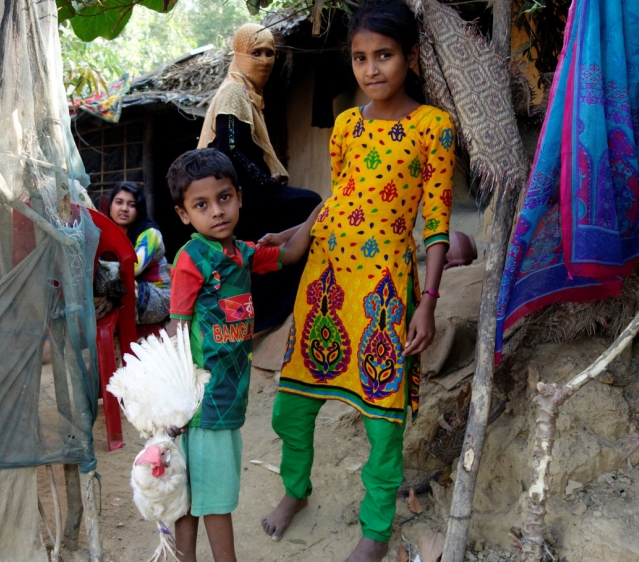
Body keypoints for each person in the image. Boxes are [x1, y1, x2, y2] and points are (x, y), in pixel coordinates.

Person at [260, 3, 456, 561]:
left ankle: (374, 530)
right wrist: (298, 234)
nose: (371, 69)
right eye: (360, 58)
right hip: (325, 280)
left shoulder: (432, 127)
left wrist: (430, 301)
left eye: (384, 56)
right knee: (291, 406)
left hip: (385, 288)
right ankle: (295, 490)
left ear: (411, 58)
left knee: (383, 421)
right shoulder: (346, 124)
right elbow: (338, 200)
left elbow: (438, 224)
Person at [165, 148, 320, 562]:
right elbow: (178, 327)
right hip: (202, 403)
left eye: (224, 198)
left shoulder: (242, 254)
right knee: (209, 497)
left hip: (228, 398)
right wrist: (173, 403)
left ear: (238, 197)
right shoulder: (192, 259)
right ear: (184, 215)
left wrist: (319, 214)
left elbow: (290, 254)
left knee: (196, 490)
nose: (216, 211)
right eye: (201, 205)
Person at [198, 23, 322, 334]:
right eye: (256, 53)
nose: (264, 60)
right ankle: (279, 306)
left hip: (243, 191)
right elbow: (230, 150)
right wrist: (266, 182)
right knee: (309, 205)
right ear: (239, 54)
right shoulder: (233, 95)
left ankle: (267, 311)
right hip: (238, 194)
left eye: (269, 53)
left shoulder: (246, 94)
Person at [105, 182, 171, 325]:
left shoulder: (150, 234)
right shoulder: (106, 234)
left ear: (139, 210)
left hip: (159, 297)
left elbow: (133, 268)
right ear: (110, 208)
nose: (124, 208)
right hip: (129, 290)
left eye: (131, 205)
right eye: (119, 202)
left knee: (121, 284)